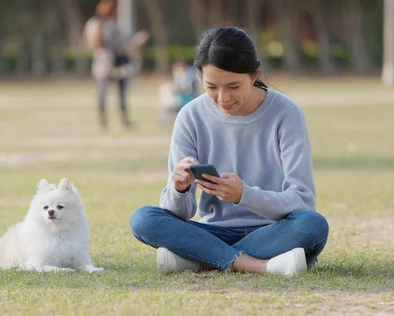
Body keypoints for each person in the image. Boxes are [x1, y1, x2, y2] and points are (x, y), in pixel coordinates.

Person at [129, 26, 329, 276]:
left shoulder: (286, 114)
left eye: (233, 86)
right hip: (214, 230)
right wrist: (179, 190)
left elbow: (303, 201)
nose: (223, 97)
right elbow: (179, 214)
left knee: (312, 225)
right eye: (211, 86)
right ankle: (258, 266)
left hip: (274, 229)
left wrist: (244, 195)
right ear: (199, 76)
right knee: (143, 219)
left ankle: (202, 260)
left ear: (254, 74)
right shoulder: (190, 116)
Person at [83, 0, 149, 130]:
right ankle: (117, 122)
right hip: (111, 64)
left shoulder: (94, 25)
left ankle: (107, 122)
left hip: (106, 63)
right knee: (116, 94)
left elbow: (89, 45)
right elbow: (124, 45)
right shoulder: (107, 25)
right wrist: (136, 41)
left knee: (109, 94)